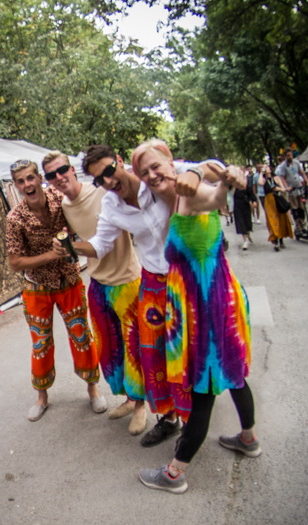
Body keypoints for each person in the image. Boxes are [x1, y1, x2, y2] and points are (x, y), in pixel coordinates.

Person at [53, 145, 246, 447]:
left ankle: (197, 420)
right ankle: (169, 418)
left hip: (189, 280)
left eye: (109, 171)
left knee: (194, 351)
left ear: (120, 162)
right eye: (99, 179)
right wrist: (70, 247)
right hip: (154, 283)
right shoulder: (111, 205)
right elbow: (100, 245)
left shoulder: (152, 175)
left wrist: (195, 173)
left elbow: (210, 166)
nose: (108, 181)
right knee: (155, 355)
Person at [131, 140, 261, 494]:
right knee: (233, 373)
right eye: (144, 172)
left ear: (171, 162)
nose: (151, 175)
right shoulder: (173, 195)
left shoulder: (189, 193)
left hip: (207, 307)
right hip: (215, 299)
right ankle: (248, 439)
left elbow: (214, 197)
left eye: (156, 166)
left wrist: (223, 181)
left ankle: (175, 473)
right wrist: (213, 174)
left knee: (204, 386)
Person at [41, 151, 146, 435]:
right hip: (98, 282)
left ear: (72, 169)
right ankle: (129, 398)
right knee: (110, 349)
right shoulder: (63, 206)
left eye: (62, 170)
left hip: (127, 279)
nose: (59, 177)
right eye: (51, 175)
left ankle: (141, 406)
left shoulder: (102, 190)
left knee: (134, 347)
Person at [5, 159, 106, 421]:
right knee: (41, 343)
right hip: (36, 286)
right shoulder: (15, 219)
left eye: (30, 178)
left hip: (69, 279)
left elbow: (83, 208)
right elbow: (15, 263)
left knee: (82, 335)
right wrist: (51, 255)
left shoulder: (60, 200)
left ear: (39, 178)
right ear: (15, 186)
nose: (27, 184)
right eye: (20, 181)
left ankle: (93, 389)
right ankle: (42, 397)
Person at [276, 148, 308, 235]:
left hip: (299, 188)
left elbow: (302, 172)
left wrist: (307, 181)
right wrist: (286, 187)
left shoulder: (296, 163)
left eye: (291, 155)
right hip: (292, 190)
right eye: (288, 156)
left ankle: (303, 225)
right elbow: (282, 178)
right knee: (295, 208)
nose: (290, 157)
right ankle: (298, 226)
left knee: (302, 208)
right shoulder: (283, 166)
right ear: (285, 156)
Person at [258, 165, 294, 251]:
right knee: (272, 220)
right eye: (264, 167)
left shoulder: (276, 178)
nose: (265, 168)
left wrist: (278, 188)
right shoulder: (264, 179)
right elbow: (260, 183)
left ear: (271, 169)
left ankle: (281, 240)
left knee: (281, 219)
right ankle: (275, 240)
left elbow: (283, 189)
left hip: (277, 199)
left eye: (267, 167)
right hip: (269, 201)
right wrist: (261, 173)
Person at [233, 170, 258, 250]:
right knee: (240, 222)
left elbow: (251, 193)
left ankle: (247, 234)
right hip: (237, 205)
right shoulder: (233, 185)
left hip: (245, 204)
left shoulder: (245, 184)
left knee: (247, 221)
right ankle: (245, 240)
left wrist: (254, 201)